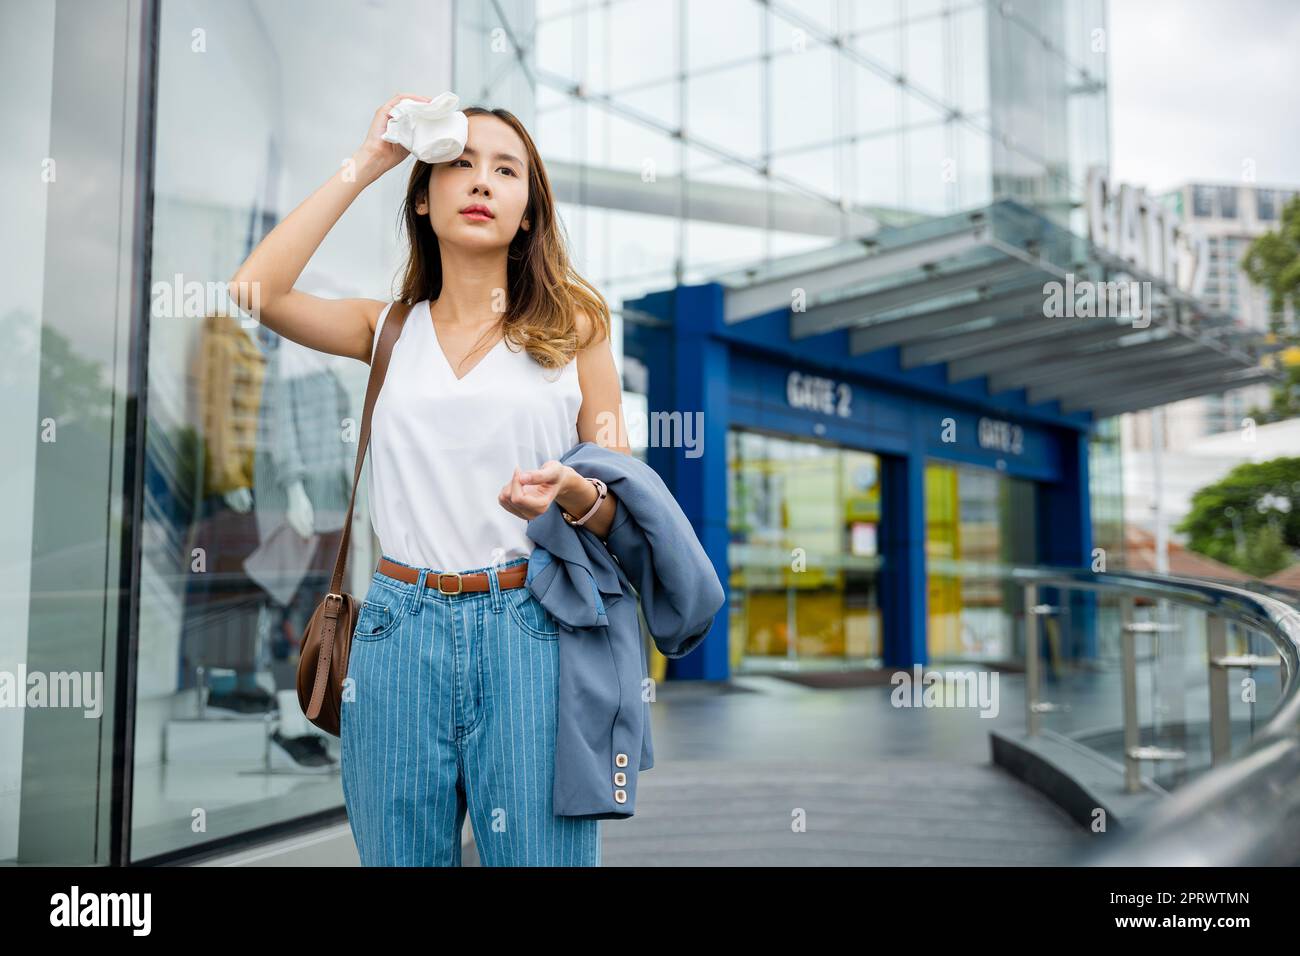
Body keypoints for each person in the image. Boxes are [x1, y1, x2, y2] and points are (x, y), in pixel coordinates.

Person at [229, 93, 631, 866]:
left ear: (526, 212)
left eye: (506, 170)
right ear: (422, 196)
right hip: (397, 630)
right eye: (459, 164)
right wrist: (371, 159)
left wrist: (577, 495)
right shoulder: (386, 329)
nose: (482, 181)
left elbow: (624, 510)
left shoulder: (576, 329)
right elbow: (255, 291)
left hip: (532, 627)